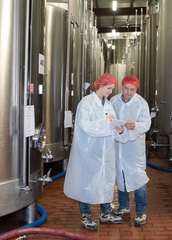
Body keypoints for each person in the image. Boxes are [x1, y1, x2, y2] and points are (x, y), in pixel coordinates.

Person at [63, 73, 127, 231]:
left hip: (105, 152)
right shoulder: (86, 103)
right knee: (86, 182)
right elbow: (86, 126)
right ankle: (86, 215)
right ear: (100, 86)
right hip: (88, 151)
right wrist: (107, 123)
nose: (110, 92)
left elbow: (111, 125)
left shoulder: (109, 105)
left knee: (105, 181)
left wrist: (118, 129)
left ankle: (105, 212)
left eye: (112, 89)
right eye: (108, 88)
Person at [110, 75, 151, 226]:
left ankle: (140, 212)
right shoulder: (113, 101)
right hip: (118, 146)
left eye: (132, 90)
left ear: (136, 89)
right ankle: (124, 207)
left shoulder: (141, 103)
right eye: (126, 89)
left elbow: (146, 124)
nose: (128, 92)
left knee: (138, 179)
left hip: (134, 148)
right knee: (121, 177)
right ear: (122, 86)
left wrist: (136, 126)